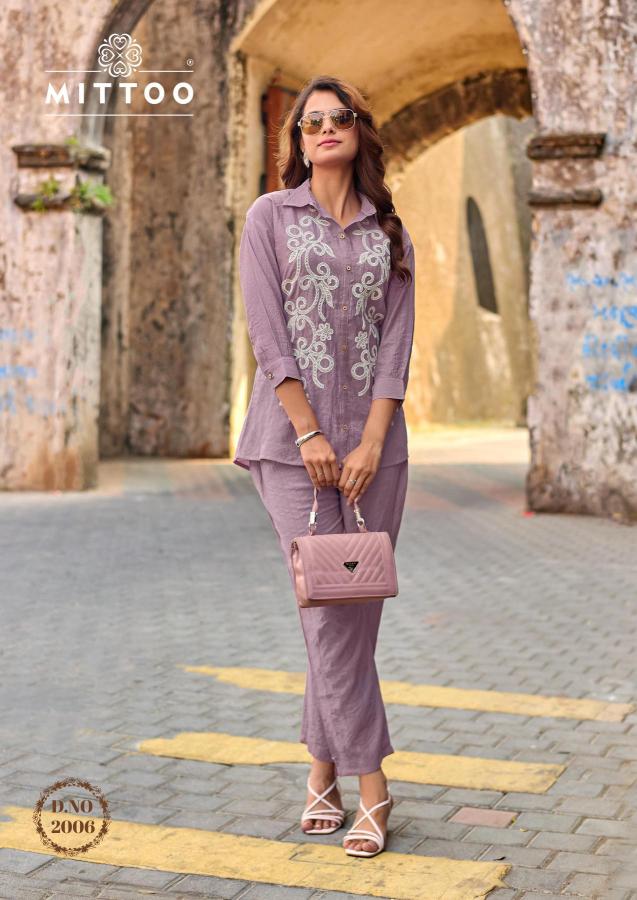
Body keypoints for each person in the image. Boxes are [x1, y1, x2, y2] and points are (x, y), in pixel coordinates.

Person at [232, 74, 416, 858]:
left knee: (351, 619)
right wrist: (308, 431)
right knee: (326, 617)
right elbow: (267, 332)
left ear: (358, 130)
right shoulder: (269, 218)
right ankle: (373, 785)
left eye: (338, 118)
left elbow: (396, 347)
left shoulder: (389, 232)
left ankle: (319, 771)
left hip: (377, 451)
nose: (325, 129)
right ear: (298, 141)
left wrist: (370, 442)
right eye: (310, 122)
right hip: (289, 447)